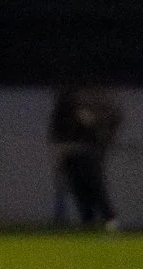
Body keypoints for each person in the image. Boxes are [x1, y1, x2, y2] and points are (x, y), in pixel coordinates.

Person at [51, 86, 121, 229]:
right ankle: (88, 220)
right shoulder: (65, 101)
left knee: (95, 185)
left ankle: (109, 218)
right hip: (70, 149)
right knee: (78, 188)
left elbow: (112, 119)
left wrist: (99, 134)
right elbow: (57, 125)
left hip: (87, 150)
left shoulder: (94, 98)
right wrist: (58, 145)